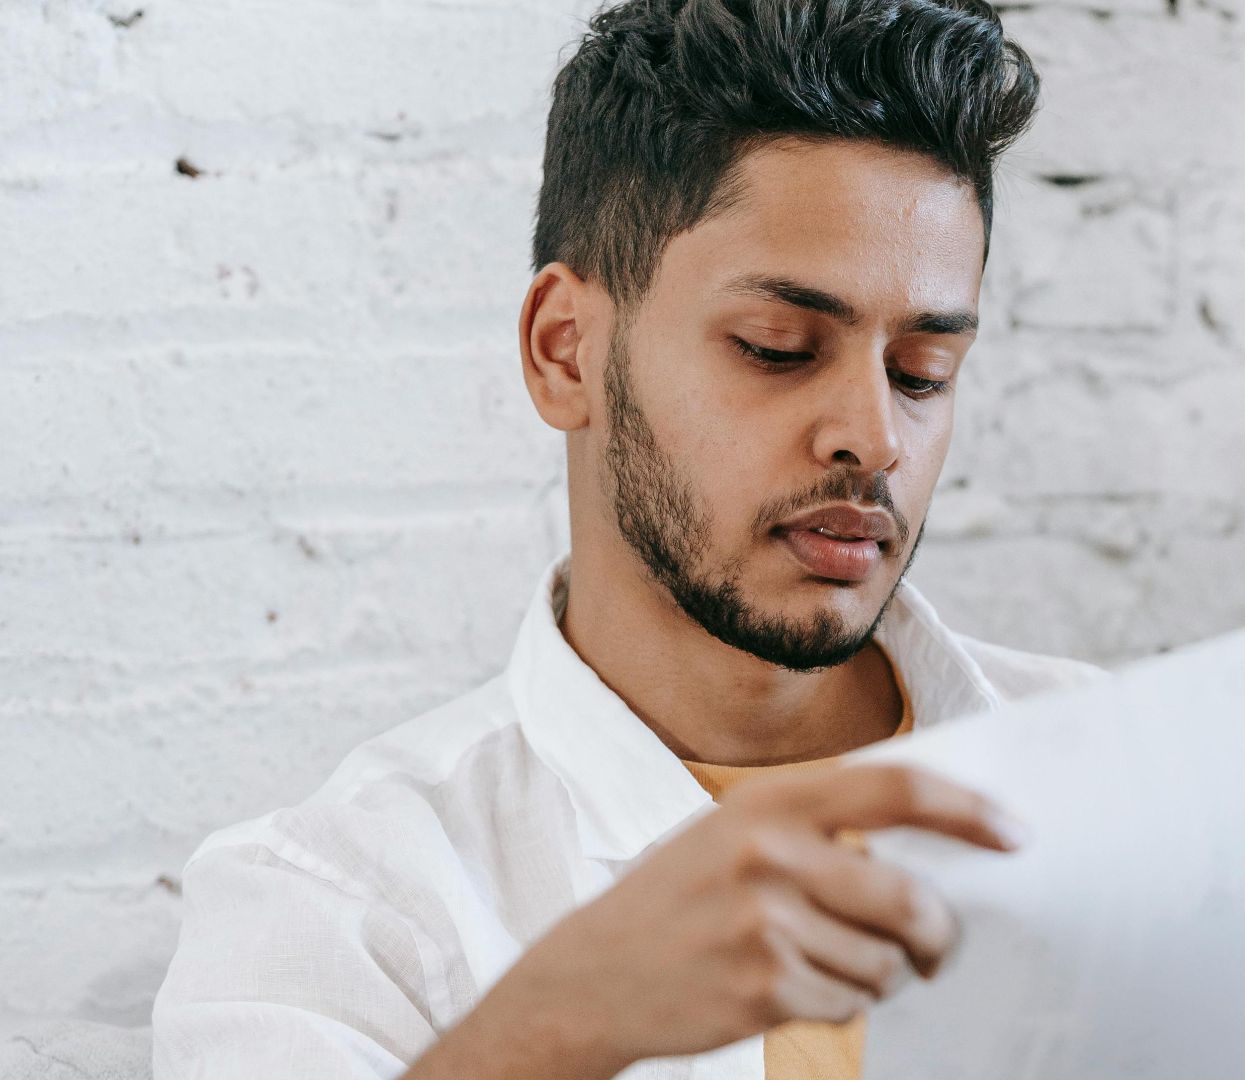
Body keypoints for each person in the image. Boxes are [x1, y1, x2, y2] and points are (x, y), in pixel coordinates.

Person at [149, 2, 1104, 1078]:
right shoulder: (341, 902)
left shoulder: (1135, 777)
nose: (875, 437)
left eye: (923, 370)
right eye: (778, 348)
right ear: (567, 353)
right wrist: (554, 1030)